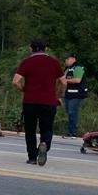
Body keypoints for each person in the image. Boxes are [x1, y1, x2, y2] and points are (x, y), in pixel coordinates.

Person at [12, 38, 65, 166]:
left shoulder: (26, 62)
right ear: (45, 48)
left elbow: (15, 81)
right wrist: (58, 95)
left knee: (30, 130)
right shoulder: (54, 62)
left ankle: (32, 157)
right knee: (47, 128)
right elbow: (63, 82)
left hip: (30, 101)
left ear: (31, 48)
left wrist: (23, 89)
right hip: (48, 101)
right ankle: (44, 145)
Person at [62, 53, 88, 138]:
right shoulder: (68, 69)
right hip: (68, 94)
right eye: (65, 59)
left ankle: (73, 132)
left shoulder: (78, 68)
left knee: (72, 112)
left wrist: (65, 80)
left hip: (77, 94)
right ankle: (69, 131)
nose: (66, 61)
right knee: (69, 113)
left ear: (73, 59)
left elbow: (77, 80)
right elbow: (63, 80)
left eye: (68, 59)